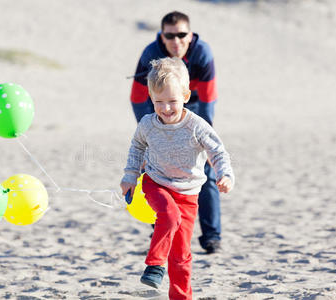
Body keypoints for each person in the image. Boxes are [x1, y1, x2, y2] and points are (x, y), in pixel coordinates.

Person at [121, 57, 234, 299]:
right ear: (151, 99)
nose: (165, 108)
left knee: (181, 254)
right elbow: (137, 147)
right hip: (156, 183)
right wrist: (130, 176)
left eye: (172, 101)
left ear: (185, 95)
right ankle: (155, 265)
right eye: (158, 102)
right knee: (168, 216)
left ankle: (181, 296)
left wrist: (225, 174)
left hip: (188, 194)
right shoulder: (148, 124)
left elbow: (217, 151)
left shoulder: (197, 126)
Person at [130, 11, 223, 253]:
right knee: (157, 171)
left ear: (190, 35)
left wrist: (204, 140)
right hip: (159, 105)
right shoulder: (151, 55)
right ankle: (160, 230)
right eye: (170, 36)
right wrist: (152, 133)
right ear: (162, 36)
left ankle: (212, 237)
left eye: (182, 35)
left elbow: (209, 98)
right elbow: (138, 97)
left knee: (206, 171)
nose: (176, 41)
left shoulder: (202, 53)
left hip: (193, 105)